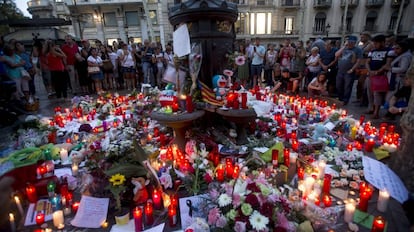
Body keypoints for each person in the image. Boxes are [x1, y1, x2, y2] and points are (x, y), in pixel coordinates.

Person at [365, 34, 393, 119]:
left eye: (376, 43)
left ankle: (376, 112)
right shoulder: (372, 51)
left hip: (381, 76)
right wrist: (370, 71)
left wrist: (378, 71)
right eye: (374, 43)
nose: (375, 45)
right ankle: (371, 108)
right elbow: (367, 62)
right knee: (369, 92)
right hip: (371, 74)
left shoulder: (389, 51)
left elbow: (387, 63)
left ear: (382, 42)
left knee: (377, 94)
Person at [335, 35, 363, 105]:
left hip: (349, 71)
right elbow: (336, 55)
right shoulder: (344, 48)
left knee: (347, 86)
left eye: (352, 42)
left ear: (355, 43)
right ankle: (340, 98)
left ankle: (345, 100)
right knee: (338, 85)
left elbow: (358, 61)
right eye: (349, 42)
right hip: (340, 70)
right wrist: (344, 46)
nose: (350, 43)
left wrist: (352, 69)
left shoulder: (358, 50)